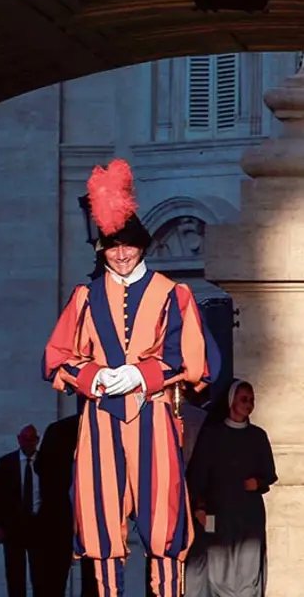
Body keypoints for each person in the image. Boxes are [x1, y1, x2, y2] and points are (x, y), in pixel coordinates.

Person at [41, 158, 219, 597]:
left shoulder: (172, 294)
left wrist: (140, 376)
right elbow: (57, 357)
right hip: (100, 419)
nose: (120, 254)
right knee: (101, 525)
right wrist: (96, 378)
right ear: (101, 248)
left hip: (154, 415)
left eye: (127, 245)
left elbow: (192, 356)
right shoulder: (84, 297)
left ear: (141, 245)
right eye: (111, 246)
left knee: (163, 524)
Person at [186, 379, 277, 597]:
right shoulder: (212, 436)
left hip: (248, 514)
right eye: (243, 399)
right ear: (231, 401)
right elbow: (198, 475)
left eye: (251, 400)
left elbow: (269, 476)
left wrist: (258, 483)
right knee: (216, 569)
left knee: (247, 568)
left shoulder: (258, 436)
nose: (249, 404)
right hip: (217, 513)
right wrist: (199, 507)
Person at [36, 412, 99, 597]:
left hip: (70, 515)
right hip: (71, 516)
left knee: (55, 579)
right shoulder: (61, 431)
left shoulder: (58, 430)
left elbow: (40, 468)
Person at [0, 424, 49, 597]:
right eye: (25, 439)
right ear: (18, 439)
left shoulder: (47, 463)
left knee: (40, 575)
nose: (28, 444)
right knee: (15, 575)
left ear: (37, 441)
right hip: (13, 526)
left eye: (32, 440)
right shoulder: (6, 463)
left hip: (39, 526)